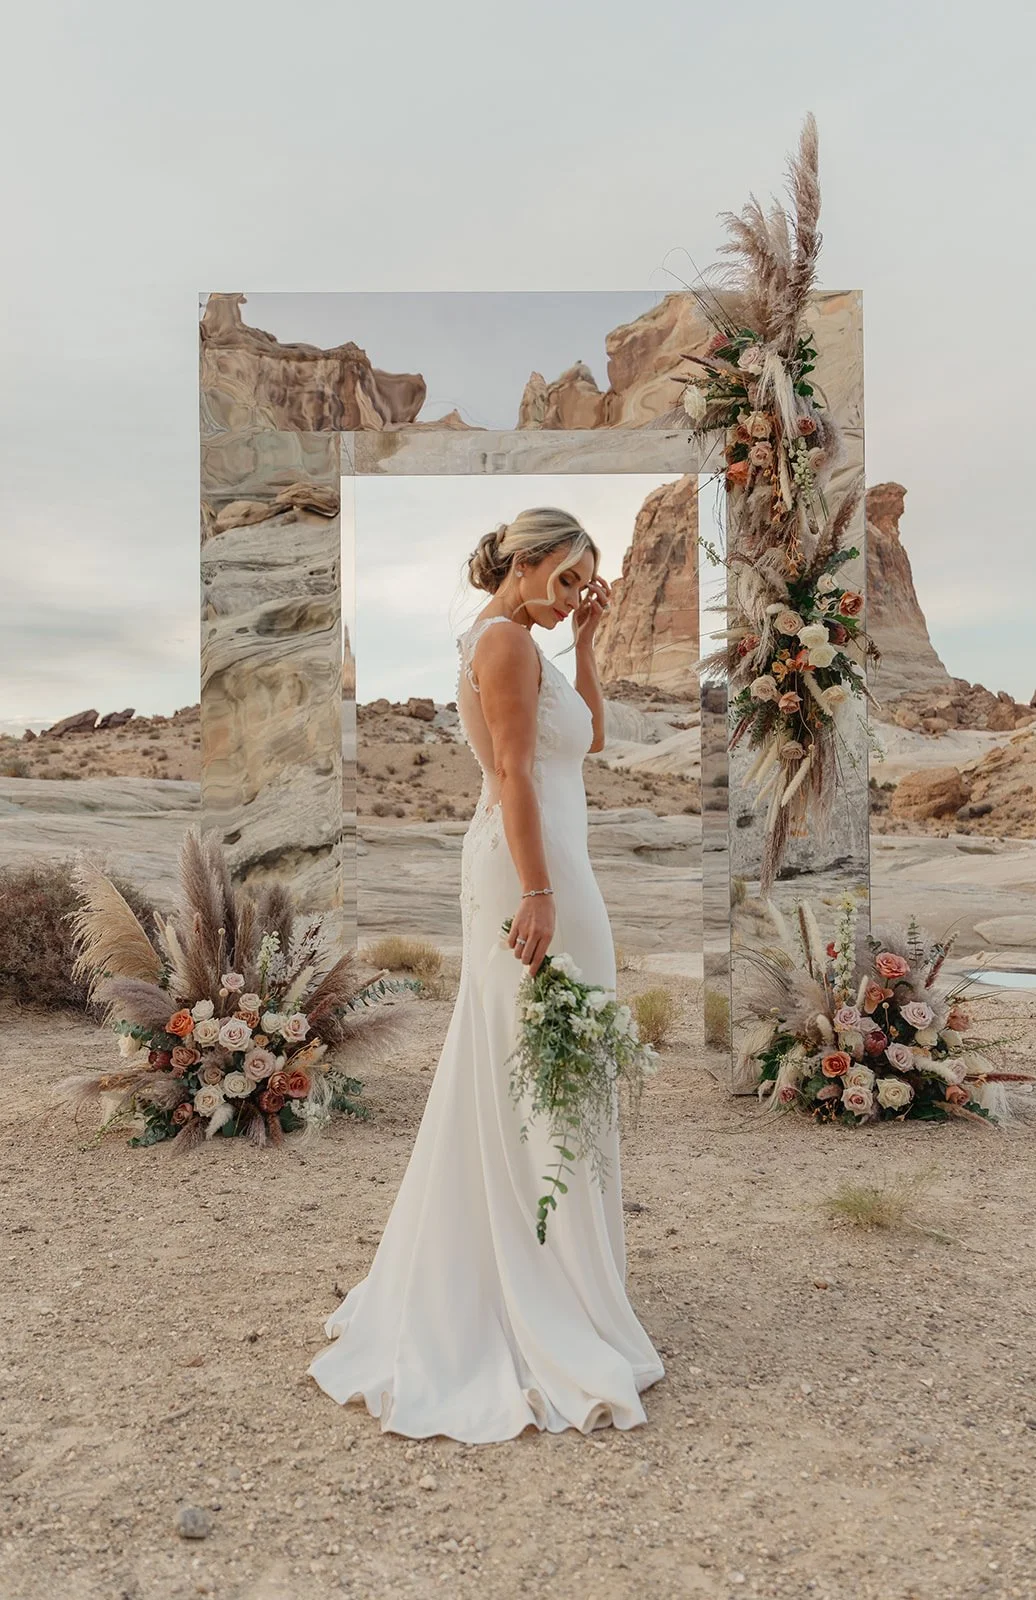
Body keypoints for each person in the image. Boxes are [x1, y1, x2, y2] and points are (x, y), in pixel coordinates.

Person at [306, 506, 665, 1442]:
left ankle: (564, 1275)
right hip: (527, 869)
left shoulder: (531, 643)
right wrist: (537, 892)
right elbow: (510, 773)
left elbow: (581, 744)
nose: (580, 588)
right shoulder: (502, 642)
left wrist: (588, 638)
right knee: (525, 1060)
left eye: (590, 577)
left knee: (554, 1061)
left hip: (555, 865)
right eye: (573, 574)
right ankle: (522, 1287)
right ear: (532, 560)